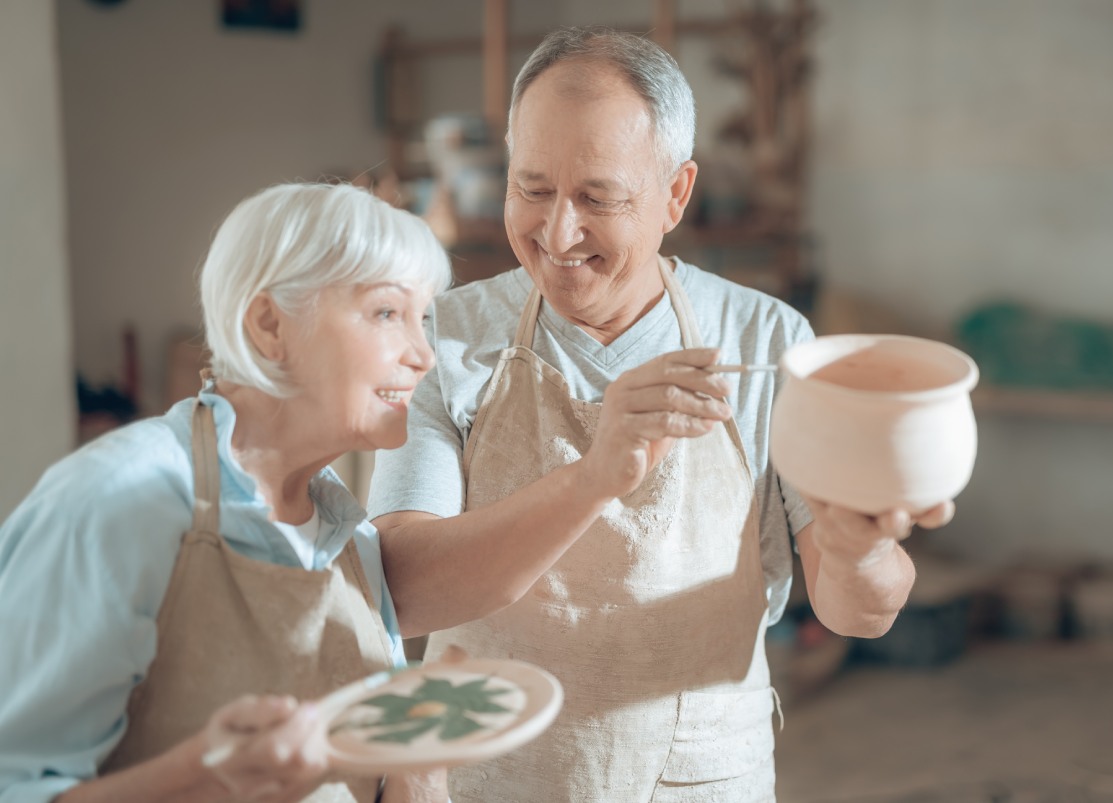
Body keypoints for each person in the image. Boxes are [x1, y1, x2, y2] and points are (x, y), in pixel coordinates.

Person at [367, 26, 955, 803]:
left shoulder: (767, 342)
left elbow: (859, 614)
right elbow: (405, 587)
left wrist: (860, 552)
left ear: (676, 194)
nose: (557, 232)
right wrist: (592, 478)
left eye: (598, 198)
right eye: (532, 188)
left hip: (700, 776)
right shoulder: (443, 337)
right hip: (491, 773)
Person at [0, 182, 464, 803]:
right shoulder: (117, 501)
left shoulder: (352, 540)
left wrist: (422, 764)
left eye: (423, 320)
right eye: (387, 313)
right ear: (270, 325)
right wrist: (206, 778)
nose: (424, 355)